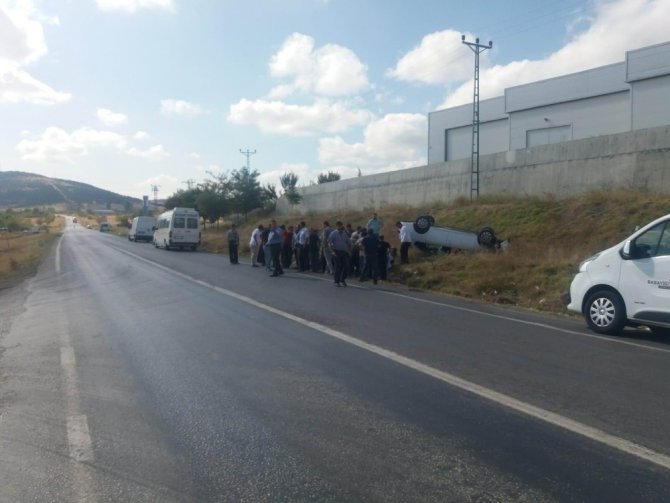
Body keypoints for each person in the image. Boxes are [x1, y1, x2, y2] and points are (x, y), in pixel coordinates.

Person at [328, 221, 352, 287]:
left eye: (341, 225)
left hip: (343, 252)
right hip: (336, 252)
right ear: (337, 226)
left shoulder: (344, 234)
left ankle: (342, 279)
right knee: (338, 266)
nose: (340, 226)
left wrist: (349, 251)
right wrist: (332, 251)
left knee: (346, 266)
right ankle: (336, 281)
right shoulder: (333, 233)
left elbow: (348, 242)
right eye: (339, 225)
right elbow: (329, 243)